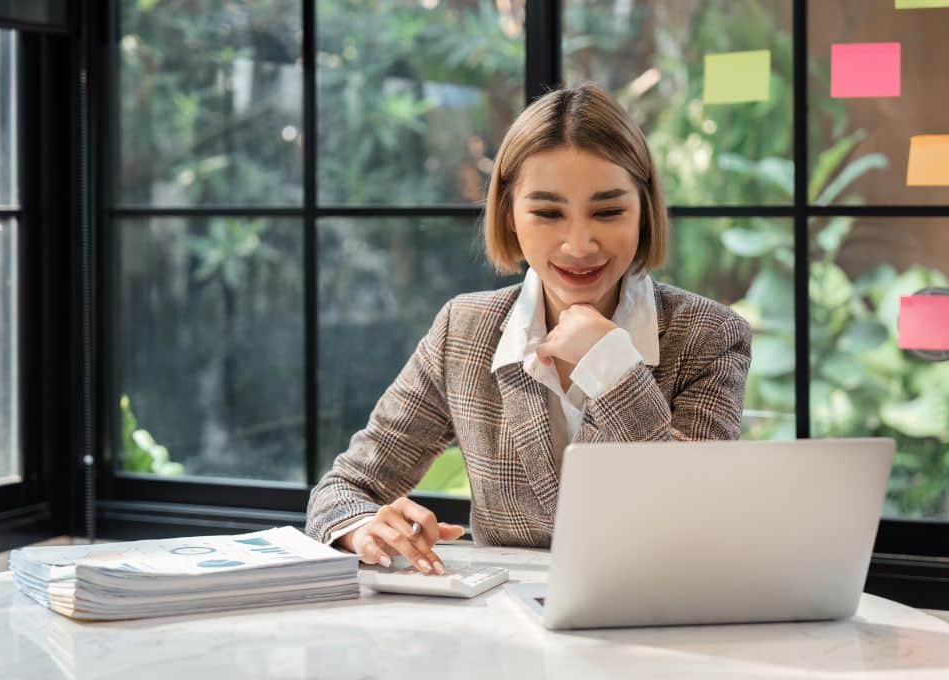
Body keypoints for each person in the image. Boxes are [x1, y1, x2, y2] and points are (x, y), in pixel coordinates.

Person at [305, 82, 752, 575]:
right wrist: (365, 527)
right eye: (546, 213)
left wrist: (611, 366)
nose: (579, 244)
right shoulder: (465, 330)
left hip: (655, 622)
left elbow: (702, 511)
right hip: (505, 628)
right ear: (510, 215)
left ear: (644, 212)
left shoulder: (708, 334)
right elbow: (343, 490)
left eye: (608, 211)